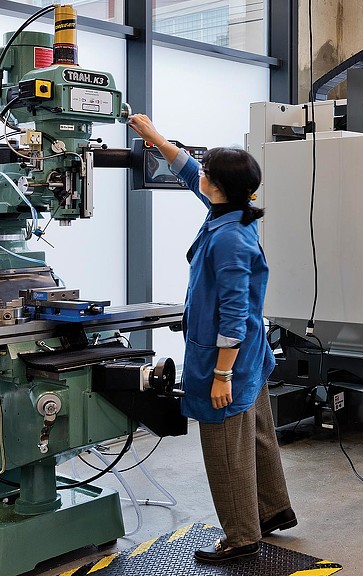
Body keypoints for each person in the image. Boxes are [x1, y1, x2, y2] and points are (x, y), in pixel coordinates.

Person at [127, 114, 295, 563]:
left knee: (225, 450)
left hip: (229, 360)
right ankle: (272, 510)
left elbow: (234, 315)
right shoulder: (233, 213)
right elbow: (188, 173)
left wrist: (221, 374)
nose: (197, 175)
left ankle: (242, 537)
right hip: (251, 358)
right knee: (257, 434)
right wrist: (154, 137)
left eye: (205, 172)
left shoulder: (230, 240)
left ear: (217, 186)